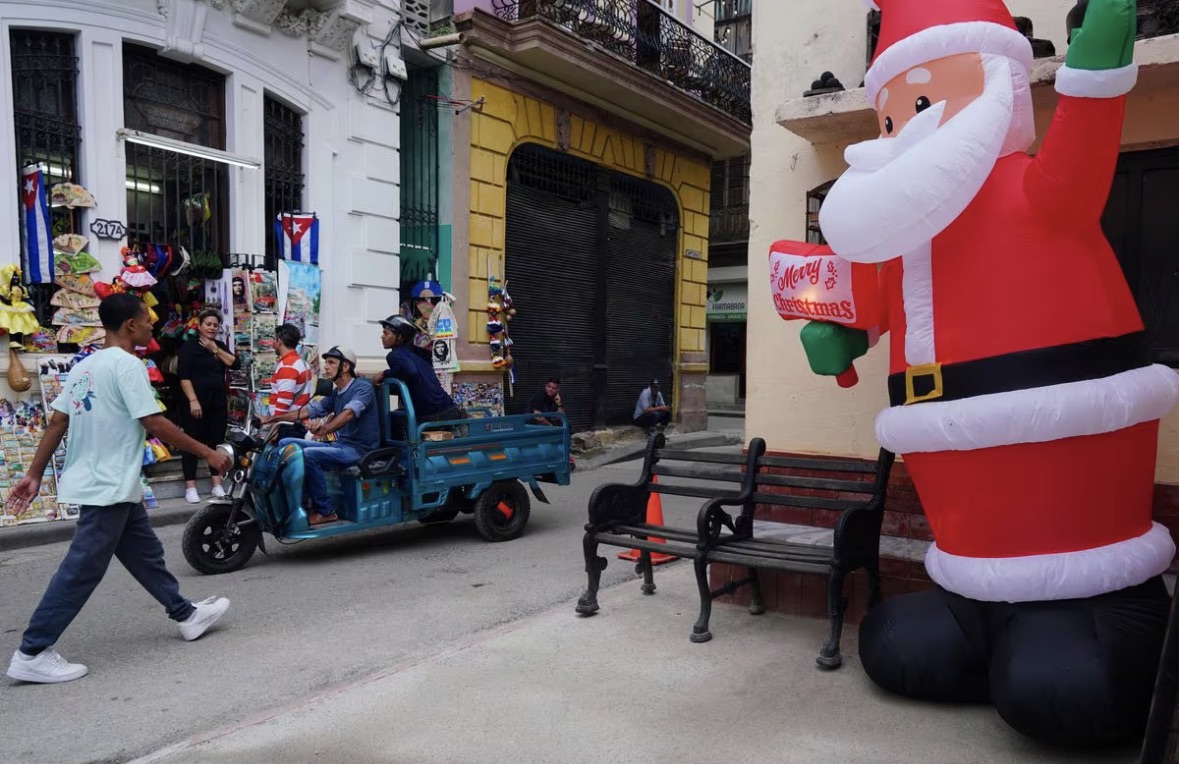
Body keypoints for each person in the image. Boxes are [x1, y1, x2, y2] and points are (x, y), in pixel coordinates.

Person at [796, 0, 1175, 747]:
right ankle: (982, 613)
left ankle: (1080, 620)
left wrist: (1096, 65)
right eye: (890, 115)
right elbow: (869, 308)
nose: (902, 128)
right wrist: (839, 336)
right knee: (897, 645)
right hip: (966, 532)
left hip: (1083, 531)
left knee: (1066, 688)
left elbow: (1085, 142)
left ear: (997, 87)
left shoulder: (1035, 192)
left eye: (925, 100)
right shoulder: (905, 234)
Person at [6, 294, 233, 684]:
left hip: (109, 482)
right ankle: (33, 650)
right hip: (107, 483)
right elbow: (155, 423)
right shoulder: (128, 365)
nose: (151, 326)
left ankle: (185, 614)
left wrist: (34, 473)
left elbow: (57, 422)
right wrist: (208, 453)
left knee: (145, 555)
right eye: (147, 320)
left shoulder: (84, 365)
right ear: (130, 325)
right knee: (82, 568)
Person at [261, 346, 380, 526]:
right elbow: (309, 411)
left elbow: (349, 413)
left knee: (309, 455)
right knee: (286, 442)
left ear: (346, 367)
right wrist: (272, 418)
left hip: (360, 450)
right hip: (340, 446)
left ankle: (325, 511)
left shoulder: (362, 388)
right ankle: (298, 501)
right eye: (327, 363)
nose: (326, 367)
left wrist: (325, 429)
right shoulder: (335, 393)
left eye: (331, 363)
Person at [177, 309, 238, 504]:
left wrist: (215, 349)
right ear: (200, 325)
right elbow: (183, 377)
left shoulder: (219, 346)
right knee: (191, 443)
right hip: (195, 403)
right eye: (208, 324)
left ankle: (217, 484)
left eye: (215, 325)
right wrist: (193, 400)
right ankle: (191, 487)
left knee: (216, 443)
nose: (212, 327)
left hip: (217, 402)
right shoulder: (189, 347)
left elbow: (234, 364)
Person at [375, 315, 464, 425]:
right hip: (450, 409)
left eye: (386, 333)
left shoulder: (395, 355)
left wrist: (384, 373)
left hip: (433, 416)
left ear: (399, 337)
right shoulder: (416, 355)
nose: (382, 337)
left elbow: (410, 371)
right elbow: (414, 381)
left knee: (387, 422)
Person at [271, 323, 314, 417]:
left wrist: (274, 424)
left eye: (274, 339)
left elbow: (284, 401)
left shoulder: (287, 366)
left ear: (279, 341)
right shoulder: (302, 362)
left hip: (287, 423)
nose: (272, 343)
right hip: (299, 419)